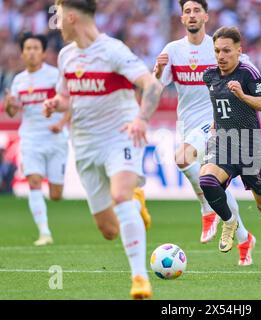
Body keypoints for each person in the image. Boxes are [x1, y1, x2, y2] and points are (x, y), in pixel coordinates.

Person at [43, 0, 163, 299]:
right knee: (109, 229)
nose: (54, 23)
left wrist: (141, 119)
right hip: (83, 145)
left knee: (119, 195)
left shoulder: (113, 51)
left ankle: (139, 279)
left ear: (72, 18)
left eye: (57, 17)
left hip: (119, 136)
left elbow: (152, 86)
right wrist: (54, 104)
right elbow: (65, 96)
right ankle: (136, 203)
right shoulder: (66, 56)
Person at [153, 0, 256, 266]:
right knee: (215, 185)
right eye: (187, 11)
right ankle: (244, 237)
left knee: (182, 158)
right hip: (186, 125)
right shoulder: (173, 50)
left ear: (206, 17)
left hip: (214, 122)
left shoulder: (218, 49)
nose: (192, 15)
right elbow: (154, 89)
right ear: (182, 18)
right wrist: (156, 72)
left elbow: (246, 69)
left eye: (196, 10)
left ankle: (206, 208)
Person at [200, 26, 261, 276]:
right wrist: (215, 124)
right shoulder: (210, 76)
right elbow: (219, 105)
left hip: (251, 147)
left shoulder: (248, 74)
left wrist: (242, 95)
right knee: (207, 180)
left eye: (227, 51)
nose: (221, 56)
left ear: (239, 51)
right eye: (217, 51)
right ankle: (230, 222)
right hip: (224, 143)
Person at [4, 33, 70, 246]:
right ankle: (45, 233)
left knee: (56, 194)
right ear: (22, 53)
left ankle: (46, 225)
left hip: (55, 138)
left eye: (36, 48)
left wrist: (60, 123)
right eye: (28, 48)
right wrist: (9, 105)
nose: (31, 52)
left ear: (43, 52)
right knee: (33, 182)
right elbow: (13, 111)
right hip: (31, 139)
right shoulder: (18, 80)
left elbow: (72, 102)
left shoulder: (54, 76)